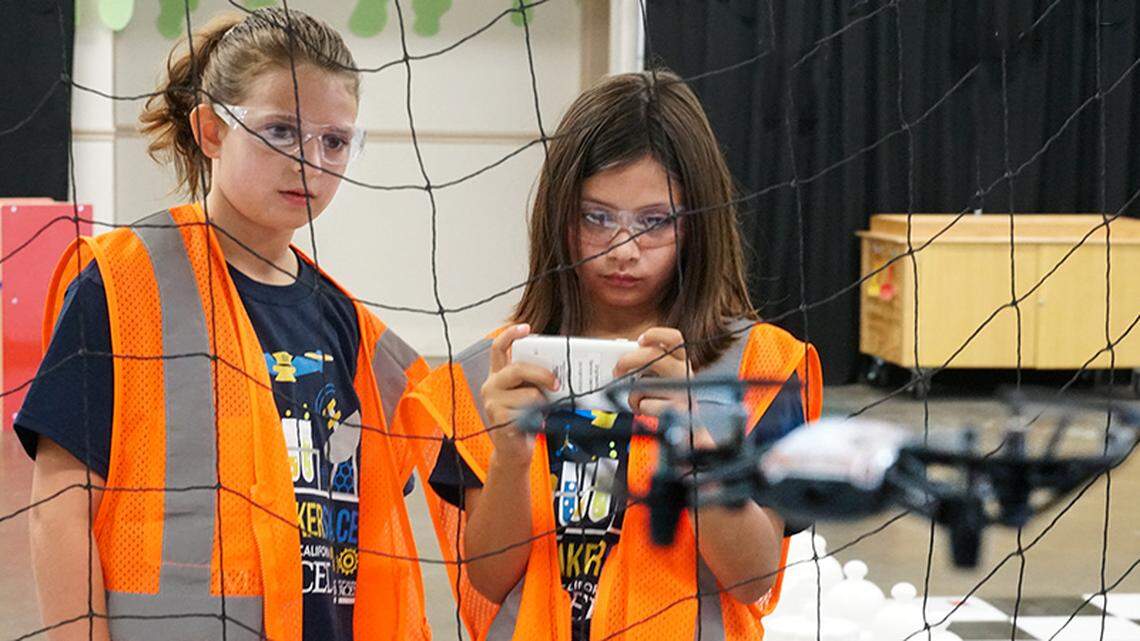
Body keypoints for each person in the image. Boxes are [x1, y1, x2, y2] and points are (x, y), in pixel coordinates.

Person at [20, 9, 432, 641]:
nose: (309, 161)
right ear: (212, 130)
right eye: (280, 130)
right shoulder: (123, 283)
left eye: (335, 140)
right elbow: (59, 505)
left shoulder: (346, 323)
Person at [399, 70, 823, 641]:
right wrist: (510, 459)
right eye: (597, 217)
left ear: (699, 224)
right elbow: (490, 580)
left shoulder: (761, 366)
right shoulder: (491, 371)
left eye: (655, 222)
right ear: (558, 215)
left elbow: (754, 581)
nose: (624, 249)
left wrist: (697, 442)